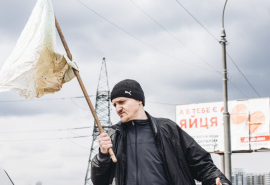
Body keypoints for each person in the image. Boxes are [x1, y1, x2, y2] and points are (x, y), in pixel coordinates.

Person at [91, 79, 231, 185]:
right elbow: (100, 181)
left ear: (139, 100)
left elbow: (201, 164)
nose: (117, 108)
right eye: (114, 105)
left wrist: (218, 181)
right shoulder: (114, 135)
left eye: (122, 102)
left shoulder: (168, 129)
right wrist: (103, 156)